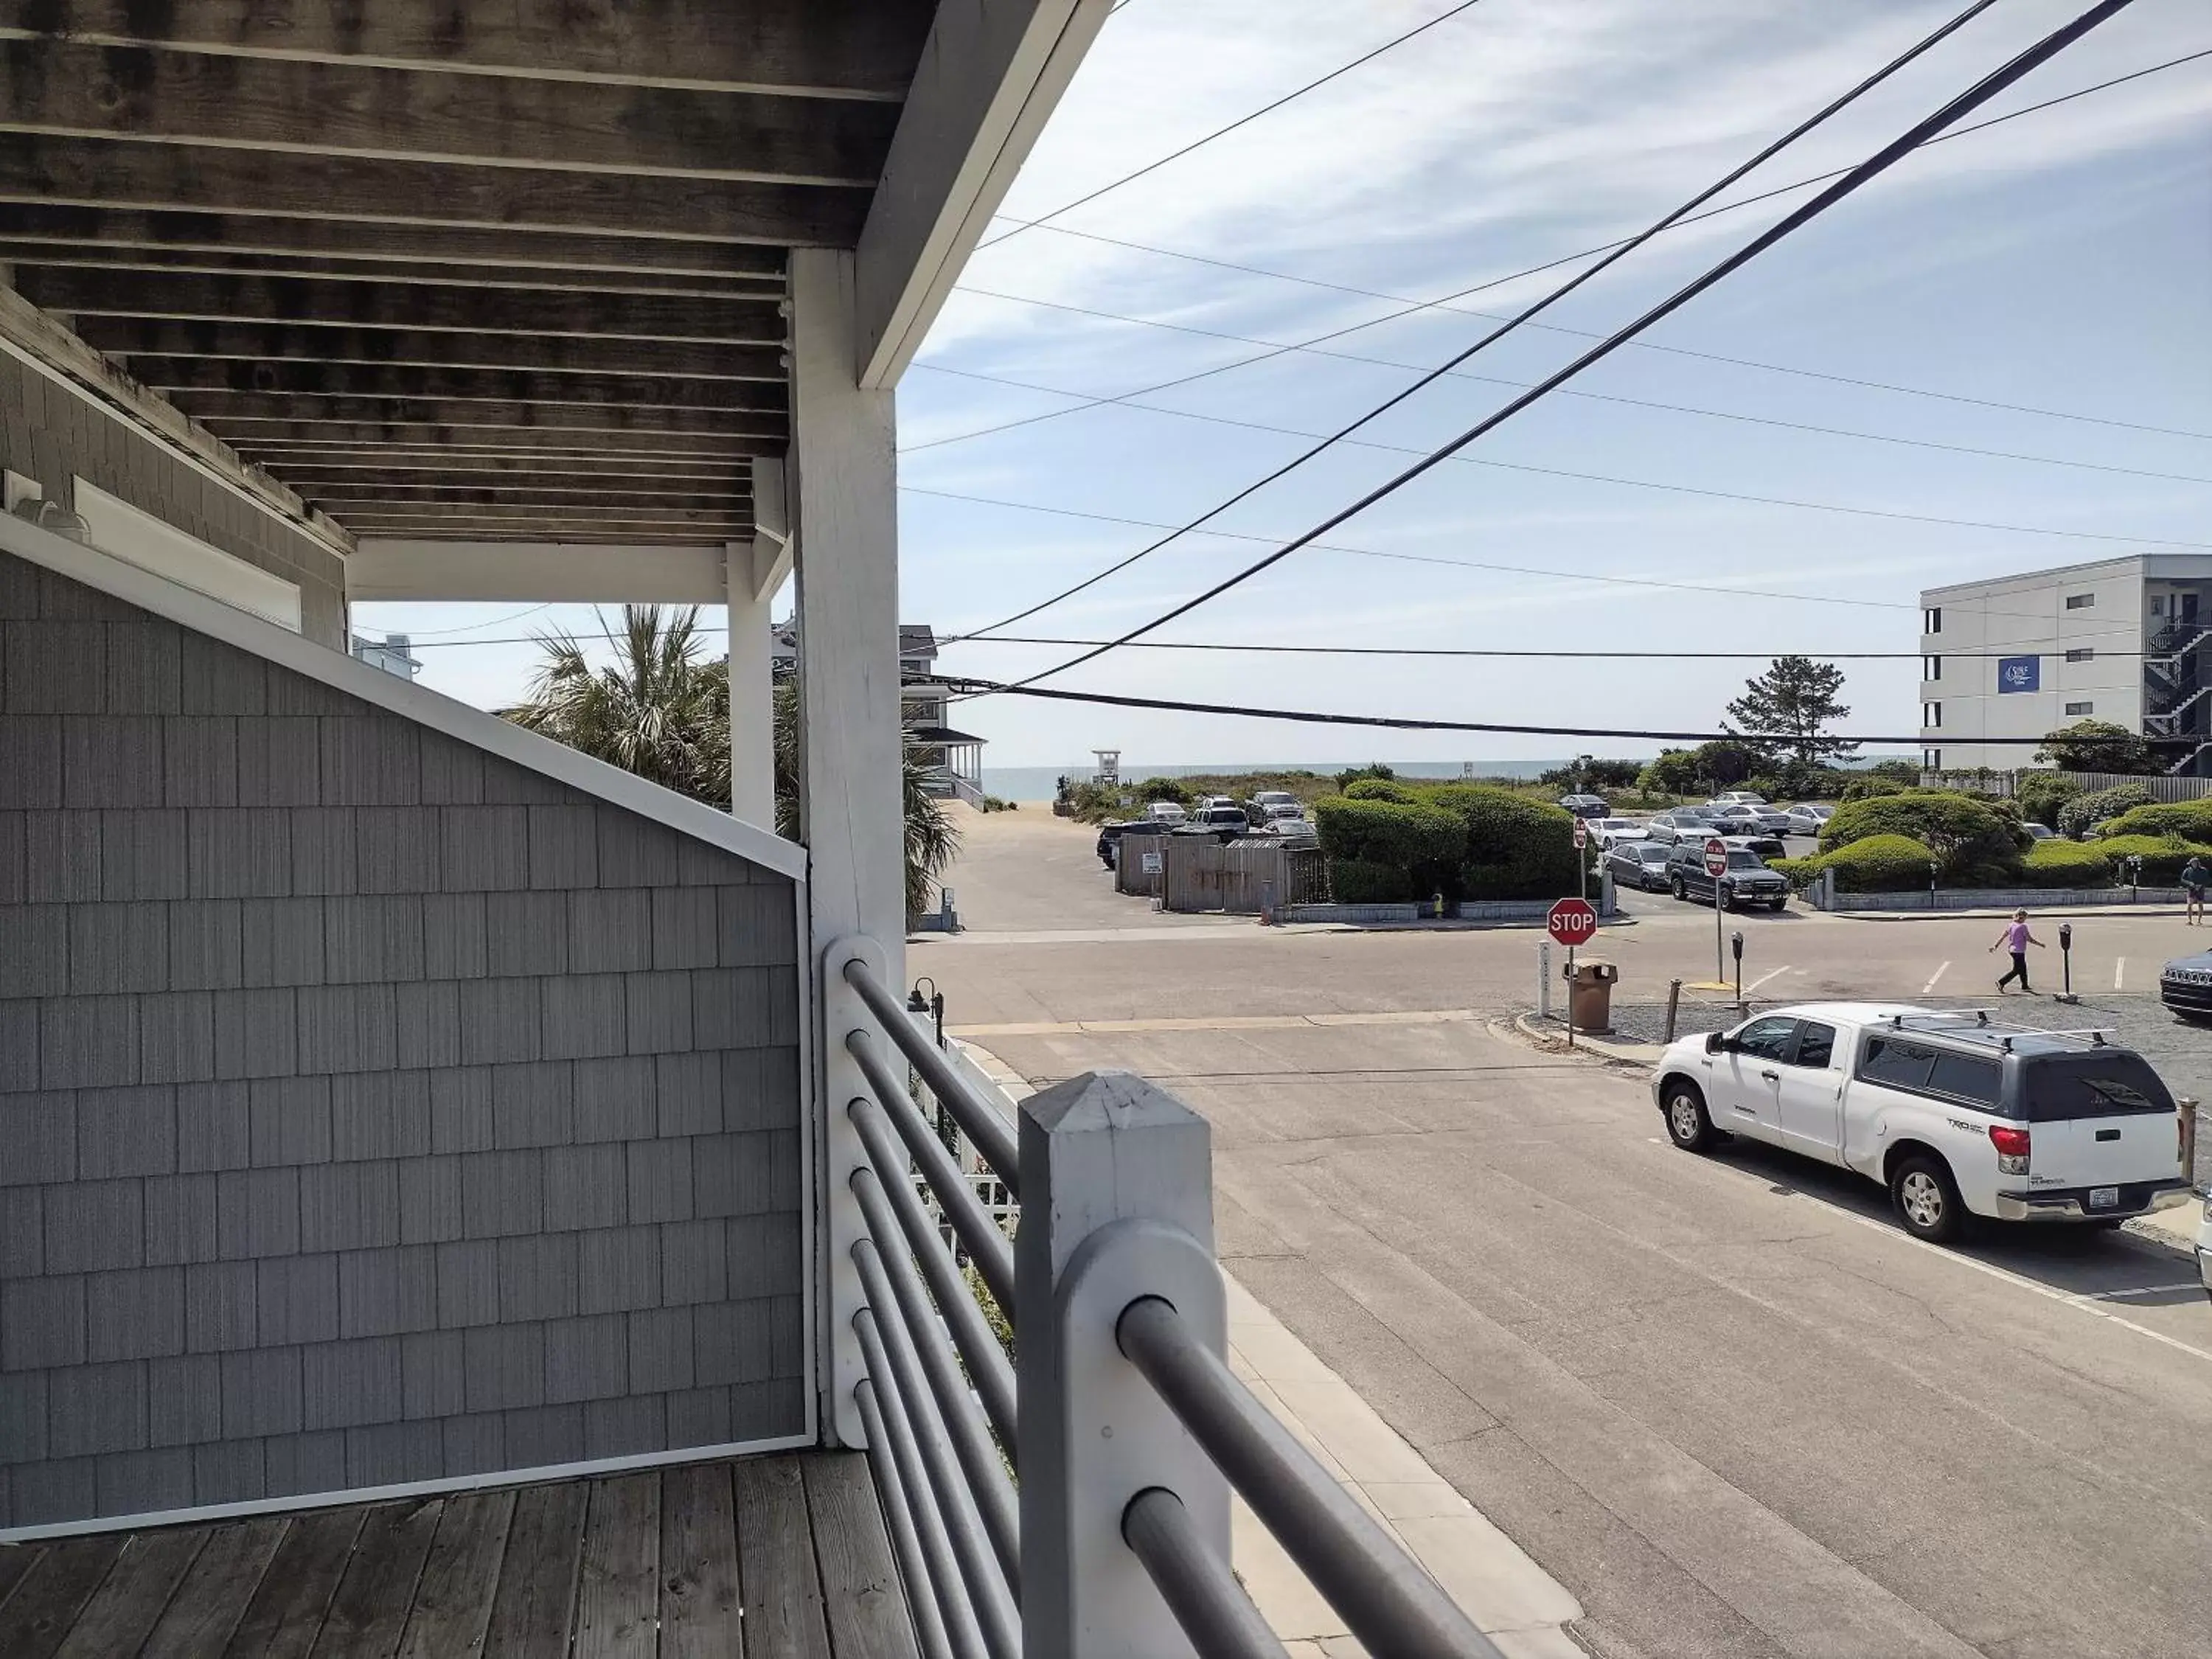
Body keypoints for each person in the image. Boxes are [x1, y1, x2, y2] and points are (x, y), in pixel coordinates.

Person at [1989, 909, 2043, 993]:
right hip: (2019, 951)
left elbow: (2003, 936)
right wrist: (2040, 944)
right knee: (2017, 970)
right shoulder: (2023, 927)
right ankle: (2001, 982)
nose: (2025, 920)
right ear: (2022, 917)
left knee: (2023, 968)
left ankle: (2025, 985)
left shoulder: (2011, 925)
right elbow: (2029, 939)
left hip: (2012, 950)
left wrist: (1995, 946)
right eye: (2025, 918)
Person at [2183, 855, 2208, 925]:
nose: (2193, 864)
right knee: (2190, 904)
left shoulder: (2203, 871)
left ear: (2198, 864)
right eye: (2192, 863)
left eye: (2195, 863)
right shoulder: (2188, 870)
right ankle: (2190, 920)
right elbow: (2183, 879)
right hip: (2191, 889)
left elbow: (2208, 879)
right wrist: (2189, 883)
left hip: (2200, 890)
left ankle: (2199, 921)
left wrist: (2201, 885)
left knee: (2200, 905)